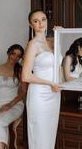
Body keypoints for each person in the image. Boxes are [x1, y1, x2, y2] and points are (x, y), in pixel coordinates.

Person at [21, 10, 62, 149]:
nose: (40, 24)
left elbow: (61, 65)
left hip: (54, 94)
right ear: (30, 24)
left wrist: (61, 35)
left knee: (50, 135)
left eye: (43, 19)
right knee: (39, 136)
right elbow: (25, 76)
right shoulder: (32, 44)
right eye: (36, 21)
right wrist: (50, 83)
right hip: (39, 96)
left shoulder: (53, 41)